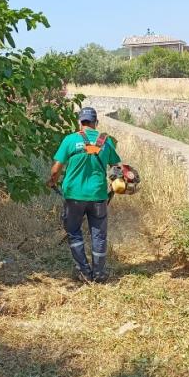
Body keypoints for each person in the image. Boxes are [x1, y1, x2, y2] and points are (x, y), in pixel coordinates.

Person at [47, 107, 121, 282]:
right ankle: (99, 274)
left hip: (74, 196)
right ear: (96, 123)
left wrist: (52, 181)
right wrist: (114, 182)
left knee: (74, 231)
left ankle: (84, 272)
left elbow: (56, 168)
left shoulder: (70, 139)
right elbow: (117, 166)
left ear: (80, 122)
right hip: (98, 196)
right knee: (99, 235)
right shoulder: (105, 141)